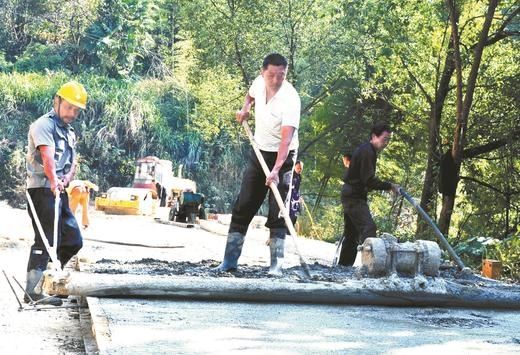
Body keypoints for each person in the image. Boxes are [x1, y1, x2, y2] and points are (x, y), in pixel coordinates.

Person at [214, 53, 301, 276]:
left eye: (280, 75)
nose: (275, 80)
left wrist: (276, 170)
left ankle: (276, 266)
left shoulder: (291, 99)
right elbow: (249, 96)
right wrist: (245, 110)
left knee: (278, 210)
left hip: (284, 157)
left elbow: (286, 139)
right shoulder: (258, 84)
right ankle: (229, 262)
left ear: (286, 74)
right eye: (271, 75)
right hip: (259, 151)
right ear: (263, 72)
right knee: (244, 205)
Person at [25, 81, 88, 306]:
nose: (72, 113)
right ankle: (33, 292)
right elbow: (47, 158)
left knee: (73, 239)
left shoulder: (68, 131)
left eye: (76, 110)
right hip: (42, 189)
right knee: (44, 239)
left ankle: (50, 280)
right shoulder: (44, 125)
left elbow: (71, 161)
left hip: (58, 189)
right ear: (57, 101)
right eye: (69, 107)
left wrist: (67, 178)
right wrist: (53, 181)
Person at [338, 123, 399, 266]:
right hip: (353, 195)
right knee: (369, 227)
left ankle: (343, 266)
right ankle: (368, 266)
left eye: (388, 140)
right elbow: (369, 180)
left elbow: (365, 179)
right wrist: (389, 186)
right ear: (374, 137)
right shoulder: (367, 151)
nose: (386, 143)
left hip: (352, 193)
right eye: (384, 139)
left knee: (352, 233)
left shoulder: (367, 150)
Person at [289, 160, 303, 227]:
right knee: (291, 214)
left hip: (296, 198)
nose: (299, 170)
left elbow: (298, 188)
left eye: (301, 168)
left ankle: (290, 229)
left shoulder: (299, 177)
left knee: (295, 215)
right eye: (298, 168)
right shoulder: (291, 175)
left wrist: (300, 197)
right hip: (289, 197)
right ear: (294, 167)